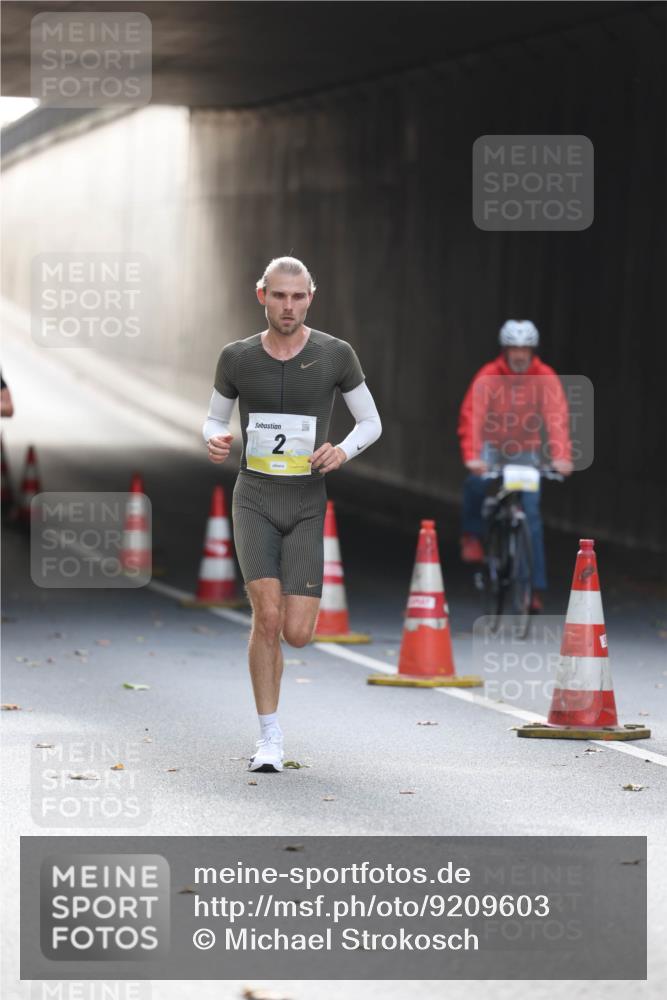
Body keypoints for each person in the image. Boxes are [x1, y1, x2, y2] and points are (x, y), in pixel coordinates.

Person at [203, 256, 382, 772]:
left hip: (306, 501)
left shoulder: (335, 355)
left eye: (298, 296)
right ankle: (269, 738)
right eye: (279, 296)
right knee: (268, 617)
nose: (289, 306)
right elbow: (215, 417)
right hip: (254, 495)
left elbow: (370, 421)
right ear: (261, 295)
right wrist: (214, 438)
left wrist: (343, 451)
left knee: (299, 632)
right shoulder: (236, 357)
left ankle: (272, 727)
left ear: (311, 297)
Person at [457, 319, 573, 609]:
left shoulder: (545, 377)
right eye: (514, 348)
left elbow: (557, 417)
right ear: (505, 349)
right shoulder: (489, 375)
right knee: (475, 483)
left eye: (525, 348)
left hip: (526, 450)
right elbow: (472, 416)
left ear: (532, 350)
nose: (520, 354)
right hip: (493, 447)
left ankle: (533, 588)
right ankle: (472, 535)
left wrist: (562, 455)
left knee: (531, 517)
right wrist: (473, 456)